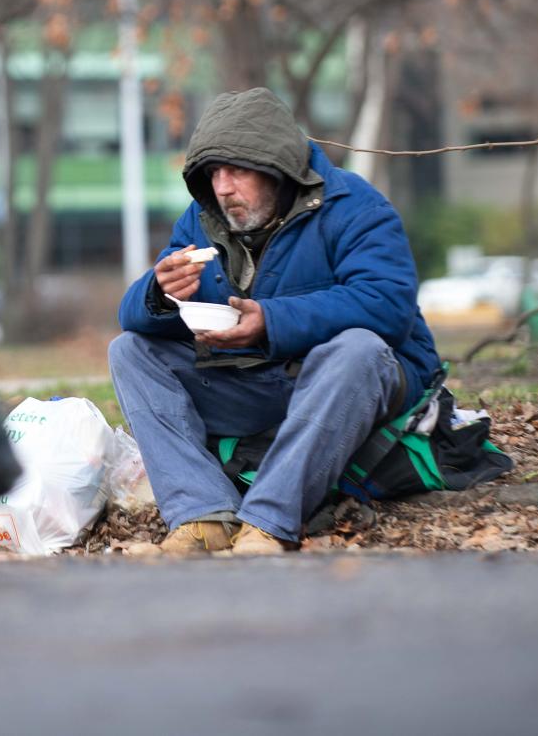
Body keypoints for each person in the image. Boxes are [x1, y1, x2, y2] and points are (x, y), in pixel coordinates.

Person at [111, 88, 440, 556]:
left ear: (278, 168)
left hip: (346, 385)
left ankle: (268, 522)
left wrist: (271, 321)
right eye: (213, 173)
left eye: (237, 170)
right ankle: (203, 515)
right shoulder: (202, 218)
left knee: (357, 349)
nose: (223, 187)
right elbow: (133, 318)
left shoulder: (355, 207)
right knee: (129, 350)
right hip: (254, 382)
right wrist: (158, 293)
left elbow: (388, 306)